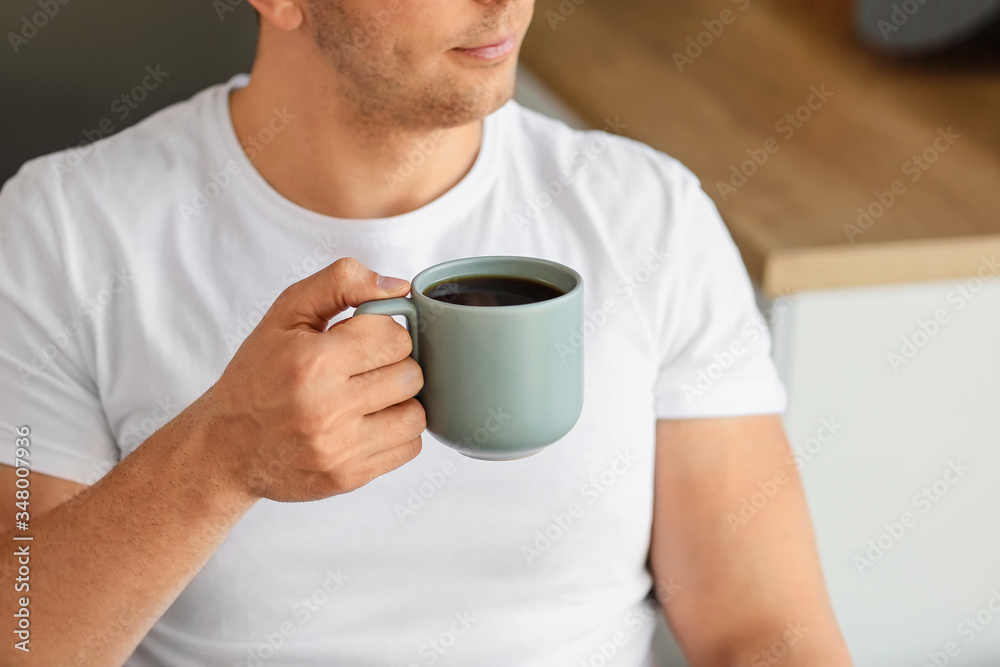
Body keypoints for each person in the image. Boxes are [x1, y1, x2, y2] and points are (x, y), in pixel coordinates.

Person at [0, 0, 852, 665]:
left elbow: (761, 631)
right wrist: (219, 459)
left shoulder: (647, 217)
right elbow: (22, 632)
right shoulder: (65, 231)